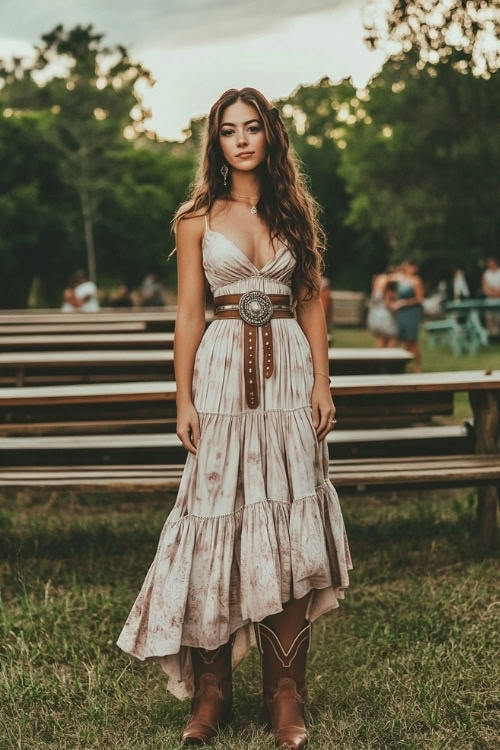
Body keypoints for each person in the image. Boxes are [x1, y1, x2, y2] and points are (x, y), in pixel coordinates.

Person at [116, 87, 352, 749]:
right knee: (214, 519)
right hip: (220, 375)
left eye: (252, 128)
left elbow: (311, 304)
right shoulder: (195, 218)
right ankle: (213, 692)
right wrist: (182, 399)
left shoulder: (295, 212)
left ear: (269, 137)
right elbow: (189, 313)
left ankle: (284, 696)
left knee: (287, 519)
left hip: (288, 375)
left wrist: (323, 385)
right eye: (228, 130)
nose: (241, 140)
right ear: (216, 142)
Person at [387, 259, 424, 372]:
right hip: (401, 313)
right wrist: (390, 302)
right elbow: (385, 281)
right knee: (398, 339)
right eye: (408, 266)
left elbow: (420, 299)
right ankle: (393, 365)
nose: (410, 268)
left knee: (411, 341)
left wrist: (403, 303)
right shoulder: (399, 278)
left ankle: (417, 366)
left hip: (411, 312)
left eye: (412, 266)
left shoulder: (416, 281)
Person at [366, 268, 398, 347]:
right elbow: (387, 303)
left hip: (374, 314)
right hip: (384, 316)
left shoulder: (377, 281)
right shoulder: (384, 280)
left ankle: (380, 358)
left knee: (381, 339)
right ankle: (390, 358)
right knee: (393, 337)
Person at [481, 256, 500, 335]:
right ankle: (491, 336)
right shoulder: (486, 274)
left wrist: (493, 291)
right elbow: (485, 289)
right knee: (489, 318)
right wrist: (493, 292)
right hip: (490, 300)